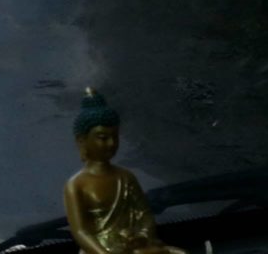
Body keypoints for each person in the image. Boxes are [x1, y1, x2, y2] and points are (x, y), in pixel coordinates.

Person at [64, 89, 186, 254]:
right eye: (102, 137)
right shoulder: (76, 185)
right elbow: (80, 232)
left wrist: (142, 236)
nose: (111, 143)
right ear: (82, 140)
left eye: (115, 136)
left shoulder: (125, 176)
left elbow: (144, 214)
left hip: (132, 246)